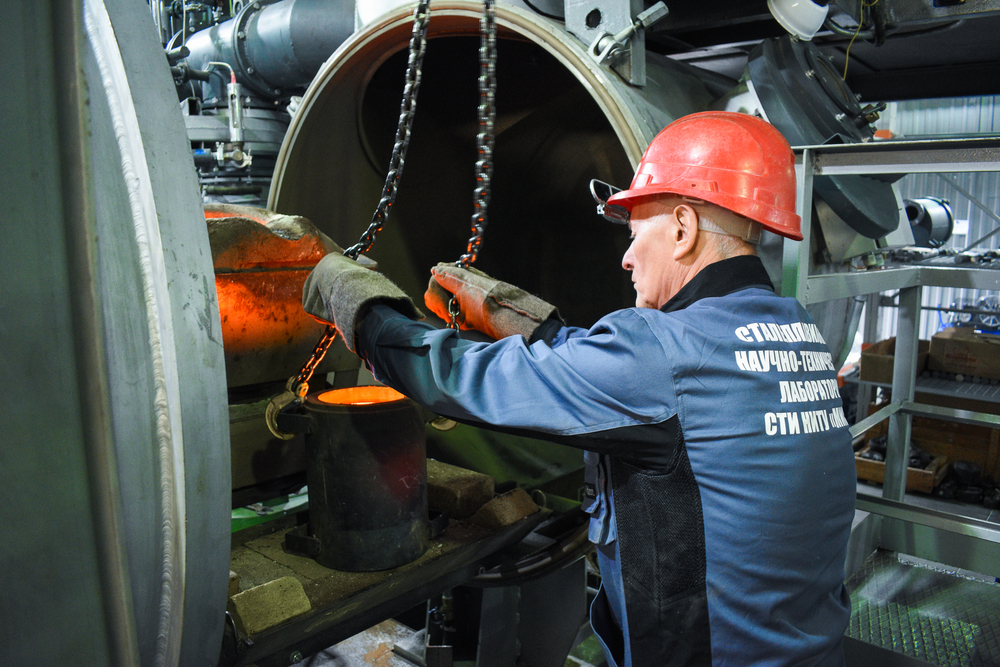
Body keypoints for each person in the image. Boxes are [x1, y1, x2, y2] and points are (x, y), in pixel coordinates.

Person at [302, 111, 857, 666]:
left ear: (683, 229)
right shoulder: (795, 331)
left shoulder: (666, 353)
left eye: (635, 235)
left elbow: (465, 375)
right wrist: (519, 319)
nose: (627, 258)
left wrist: (359, 306)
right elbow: (630, 374)